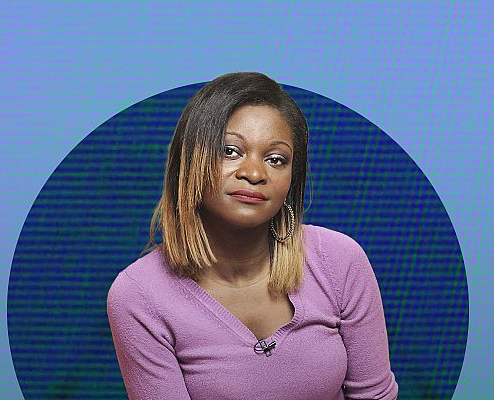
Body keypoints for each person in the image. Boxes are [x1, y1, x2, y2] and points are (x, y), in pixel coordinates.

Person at [106, 72, 398, 399]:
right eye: (230, 151)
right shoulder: (140, 295)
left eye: (276, 159)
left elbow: (375, 395)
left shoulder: (338, 260)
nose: (255, 173)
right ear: (189, 161)